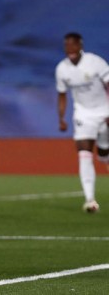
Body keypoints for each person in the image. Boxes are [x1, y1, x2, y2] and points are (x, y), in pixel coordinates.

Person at [56, 32, 109, 213]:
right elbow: (62, 95)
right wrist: (61, 118)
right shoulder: (62, 69)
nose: (69, 49)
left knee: (103, 150)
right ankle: (90, 200)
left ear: (80, 45)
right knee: (84, 154)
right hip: (83, 114)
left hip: (104, 111)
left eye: (73, 45)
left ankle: (104, 155)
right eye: (66, 46)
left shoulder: (96, 62)